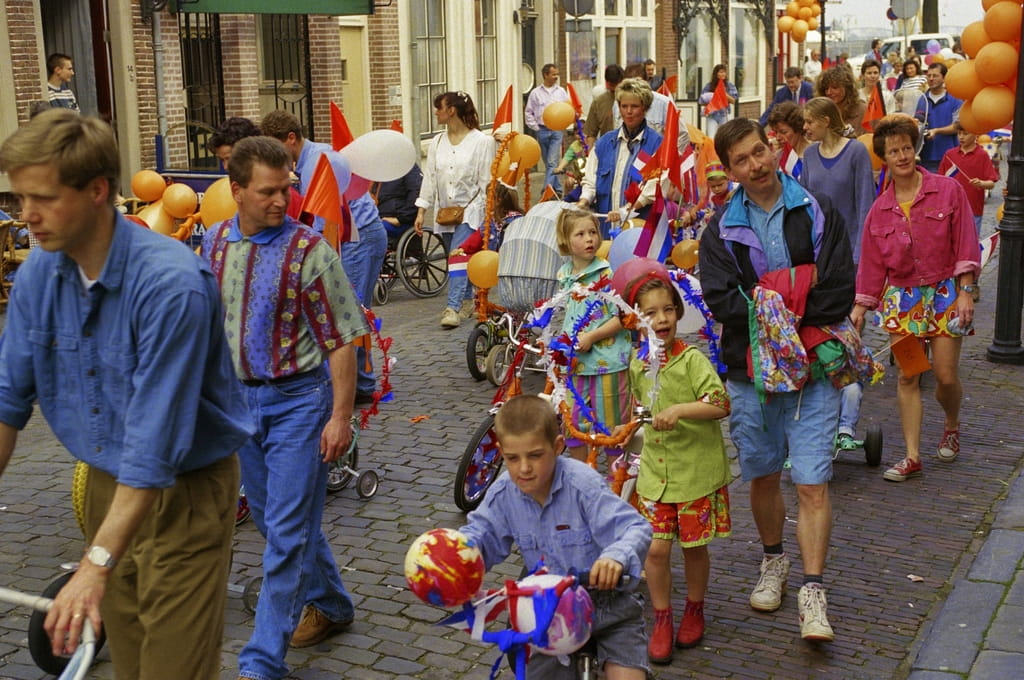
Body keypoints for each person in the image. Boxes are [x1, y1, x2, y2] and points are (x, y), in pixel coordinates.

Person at [0, 109, 252, 678]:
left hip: (185, 491)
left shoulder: (171, 285)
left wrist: (96, 563)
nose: (25, 216)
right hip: (105, 484)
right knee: (132, 666)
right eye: (19, 199)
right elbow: (7, 400)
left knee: (172, 669)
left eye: (41, 198)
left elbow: (154, 446)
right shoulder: (41, 273)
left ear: (96, 191)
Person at [200, 136, 369, 680]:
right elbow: (207, 324)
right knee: (277, 521)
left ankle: (261, 660)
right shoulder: (214, 243)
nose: (282, 200)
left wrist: (340, 416)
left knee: (288, 530)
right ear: (236, 190)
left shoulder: (309, 251)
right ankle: (335, 605)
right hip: (240, 404)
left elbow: (343, 337)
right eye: (268, 191)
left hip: (300, 401)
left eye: (288, 188)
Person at [699, 117, 856, 643]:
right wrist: (793, 291)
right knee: (763, 474)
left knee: (812, 480)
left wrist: (768, 297)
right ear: (730, 171)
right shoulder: (718, 230)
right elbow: (722, 301)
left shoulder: (816, 210)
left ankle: (814, 591)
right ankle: (774, 561)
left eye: (759, 151)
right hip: (751, 375)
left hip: (812, 369)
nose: (756, 164)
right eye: (741, 160)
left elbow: (837, 288)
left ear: (775, 148)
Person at [458, 395, 652, 680]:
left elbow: (635, 528)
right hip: (545, 609)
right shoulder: (503, 493)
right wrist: (459, 556)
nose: (524, 468)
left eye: (535, 455)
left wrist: (615, 557)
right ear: (501, 453)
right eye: (513, 458)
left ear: (558, 446)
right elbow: (481, 535)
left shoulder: (581, 483)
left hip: (608, 606)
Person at [850, 116, 980, 483]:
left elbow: (965, 242)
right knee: (908, 376)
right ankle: (911, 456)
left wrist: (965, 291)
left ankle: (951, 423)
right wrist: (860, 307)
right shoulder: (879, 211)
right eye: (894, 151)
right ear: (885, 158)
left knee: (944, 375)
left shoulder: (947, 190)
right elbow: (873, 266)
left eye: (907, 147)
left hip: (944, 295)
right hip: (903, 302)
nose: (902, 155)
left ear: (914, 148)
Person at [618, 269, 731, 662]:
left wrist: (681, 410)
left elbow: (720, 404)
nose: (662, 319)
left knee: (694, 548)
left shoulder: (692, 360)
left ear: (678, 314)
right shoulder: (637, 364)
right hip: (655, 473)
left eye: (668, 310)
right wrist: (628, 424)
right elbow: (642, 412)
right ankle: (662, 618)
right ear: (636, 318)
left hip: (693, 472)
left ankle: (694, 609)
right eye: (651, 313)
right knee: (656, 551)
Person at [261, 110, 388, 402]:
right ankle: (362, 383)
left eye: (275, 146)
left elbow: (322, 221)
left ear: (290, 139)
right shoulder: (311, 159)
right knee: (351, 311)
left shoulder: (317, 163)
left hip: (359, 237)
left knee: (349, 312)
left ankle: (359, 386)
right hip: (354, 236)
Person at [554, 210, 632, 465]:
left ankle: (615, 481)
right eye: (580, 234)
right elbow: (569, 315)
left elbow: (622, 318)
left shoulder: (606, 274)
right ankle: (581, 476)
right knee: (573, 424)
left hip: (608, 364)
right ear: (566, 241)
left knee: (611, 426)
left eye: (592, 232)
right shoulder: (565, 275)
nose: (589, 239)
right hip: (576, 365)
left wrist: (592, 336)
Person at [414, 91, 496, 328]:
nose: (435, 112)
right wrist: (422, 209)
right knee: (462, 260)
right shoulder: (437, 142)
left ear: (452, 111)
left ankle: (452, 308)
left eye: (439, 107)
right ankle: (471, 300)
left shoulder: (482, 142)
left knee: (457, 257)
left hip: (471, 211)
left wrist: (489, 213)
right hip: (444, 212)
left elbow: (486, 180)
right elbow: (429, 177)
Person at [577, 78, 663, 238]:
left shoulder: (656, 144)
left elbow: (653, 188)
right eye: (624, 106)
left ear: (645, 108)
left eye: (634, 106)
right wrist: (583, 202)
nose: (628, 112)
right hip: (605, 228)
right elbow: (590, 182)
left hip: (638, 230)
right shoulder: (603, 143)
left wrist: (625, 211)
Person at [800, 97, 875, 261]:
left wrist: (860, 252)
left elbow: (865, 203)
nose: (805, 127)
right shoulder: (809, 154)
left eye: (809, 122)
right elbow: (805, 204)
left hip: (849, 247)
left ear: (825, 121)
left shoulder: (856, 151)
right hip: (819, 249)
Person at [938, 121, 999, 236]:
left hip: (973, 208)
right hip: (951, 208)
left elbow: (991, 183)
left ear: (975, 134)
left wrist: (981, 183)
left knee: (971, 242)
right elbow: (940, 180)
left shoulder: (982, 155)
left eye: (965, 134)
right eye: (959, 133)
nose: (961, 137)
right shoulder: (949, 154)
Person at [525, 64, 570, 194]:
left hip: (557, 130)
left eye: (557, 74)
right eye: (553, 74)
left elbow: (567, 108)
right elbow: (528, 112)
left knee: (552, 162)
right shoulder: (535, 93)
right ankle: (558, 189)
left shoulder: (561, 92)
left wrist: (565, 123)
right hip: (542, 130)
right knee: (549, 163)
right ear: (546, 75)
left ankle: (546, 190)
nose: (556, 77)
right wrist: (536, 128)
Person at [915, 63, 963, 174]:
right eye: (929, 75)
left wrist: (937, 131)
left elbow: (957, 126)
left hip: (949, 155)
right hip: (926, 156)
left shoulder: (955, 99)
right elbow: (918, 122)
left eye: (935, 76)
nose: (931, 79)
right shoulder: (922, 99)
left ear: (944, 78)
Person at [373, 163, 424, 242]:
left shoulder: (408, 166)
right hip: (378, 216)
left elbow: (416, 193)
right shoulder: (377, 169)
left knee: (371, 231)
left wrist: (400, 220)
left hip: (399, 219)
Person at [815, 67, 865, 137]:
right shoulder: (822, 111)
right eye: (826, 88)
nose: (829, 92)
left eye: (835, 87)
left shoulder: (862, 109)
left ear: (847, 88)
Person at [584, 64, 625, 147]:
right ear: (607, 83)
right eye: (613, 86)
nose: (616, 89)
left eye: (618, 85)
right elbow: (590, 134)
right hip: (607, 150)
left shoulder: (634, 99)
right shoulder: (599, 102)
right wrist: (590, 155)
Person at [768, 101, 809, 181]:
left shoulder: (814, 155)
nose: (777, 138)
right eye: (775, 132)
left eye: (783, 132)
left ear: (798, 128)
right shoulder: (778, 156)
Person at [699, 64, 738, 138]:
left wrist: (724, 94)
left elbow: (734, 101)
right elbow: (701, 101)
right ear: (716, 74)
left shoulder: (729, 86)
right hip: (712, 115)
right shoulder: (709, 86)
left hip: (723, 114)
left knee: (724, 137)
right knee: (711, 137)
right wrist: (712, 100)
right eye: (720, 72)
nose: (723, 74)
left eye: (724, 72)